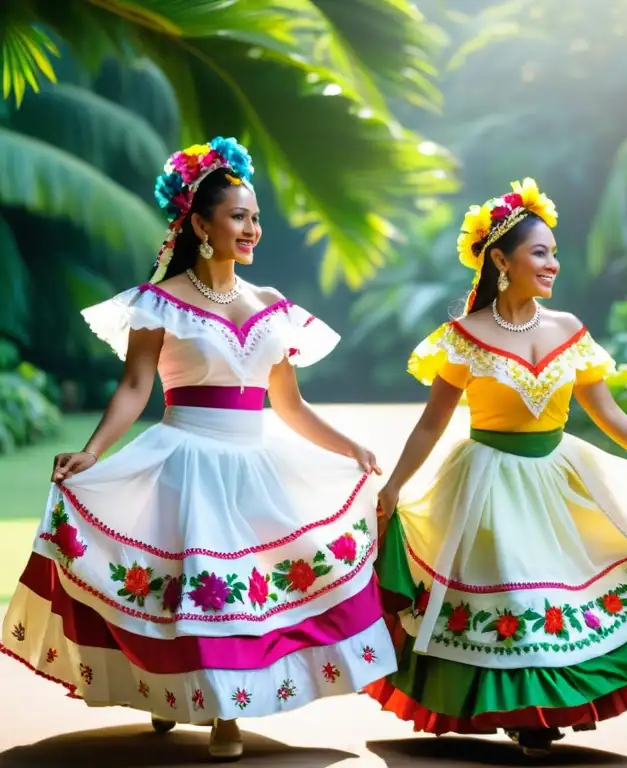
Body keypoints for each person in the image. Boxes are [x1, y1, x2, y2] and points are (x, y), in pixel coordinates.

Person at [0, 138, 396, 761]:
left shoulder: (272, 308)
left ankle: (221, 709)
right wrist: (93, 452)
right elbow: (135, 388)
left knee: (245, 588)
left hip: (255, 459)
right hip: (184, 455)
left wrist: (352, 447)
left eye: (256, 216)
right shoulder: (159, 303)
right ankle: (186, 696)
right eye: (238, 215)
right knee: (192, 590)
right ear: (199, 223)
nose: (251, 228)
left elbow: (288, 405)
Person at [365, 178, 627, 755]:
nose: (552, 264)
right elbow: (429, 424)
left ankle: (543, 713)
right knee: (514, 600)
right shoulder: (464, 339)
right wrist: (394, 486)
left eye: (553, 253)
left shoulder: (568, 329)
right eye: (539, 252)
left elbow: (607, 412)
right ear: (500, 260)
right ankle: (528, 716)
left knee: (562, 595)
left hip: (560, 474)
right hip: (486, 482)